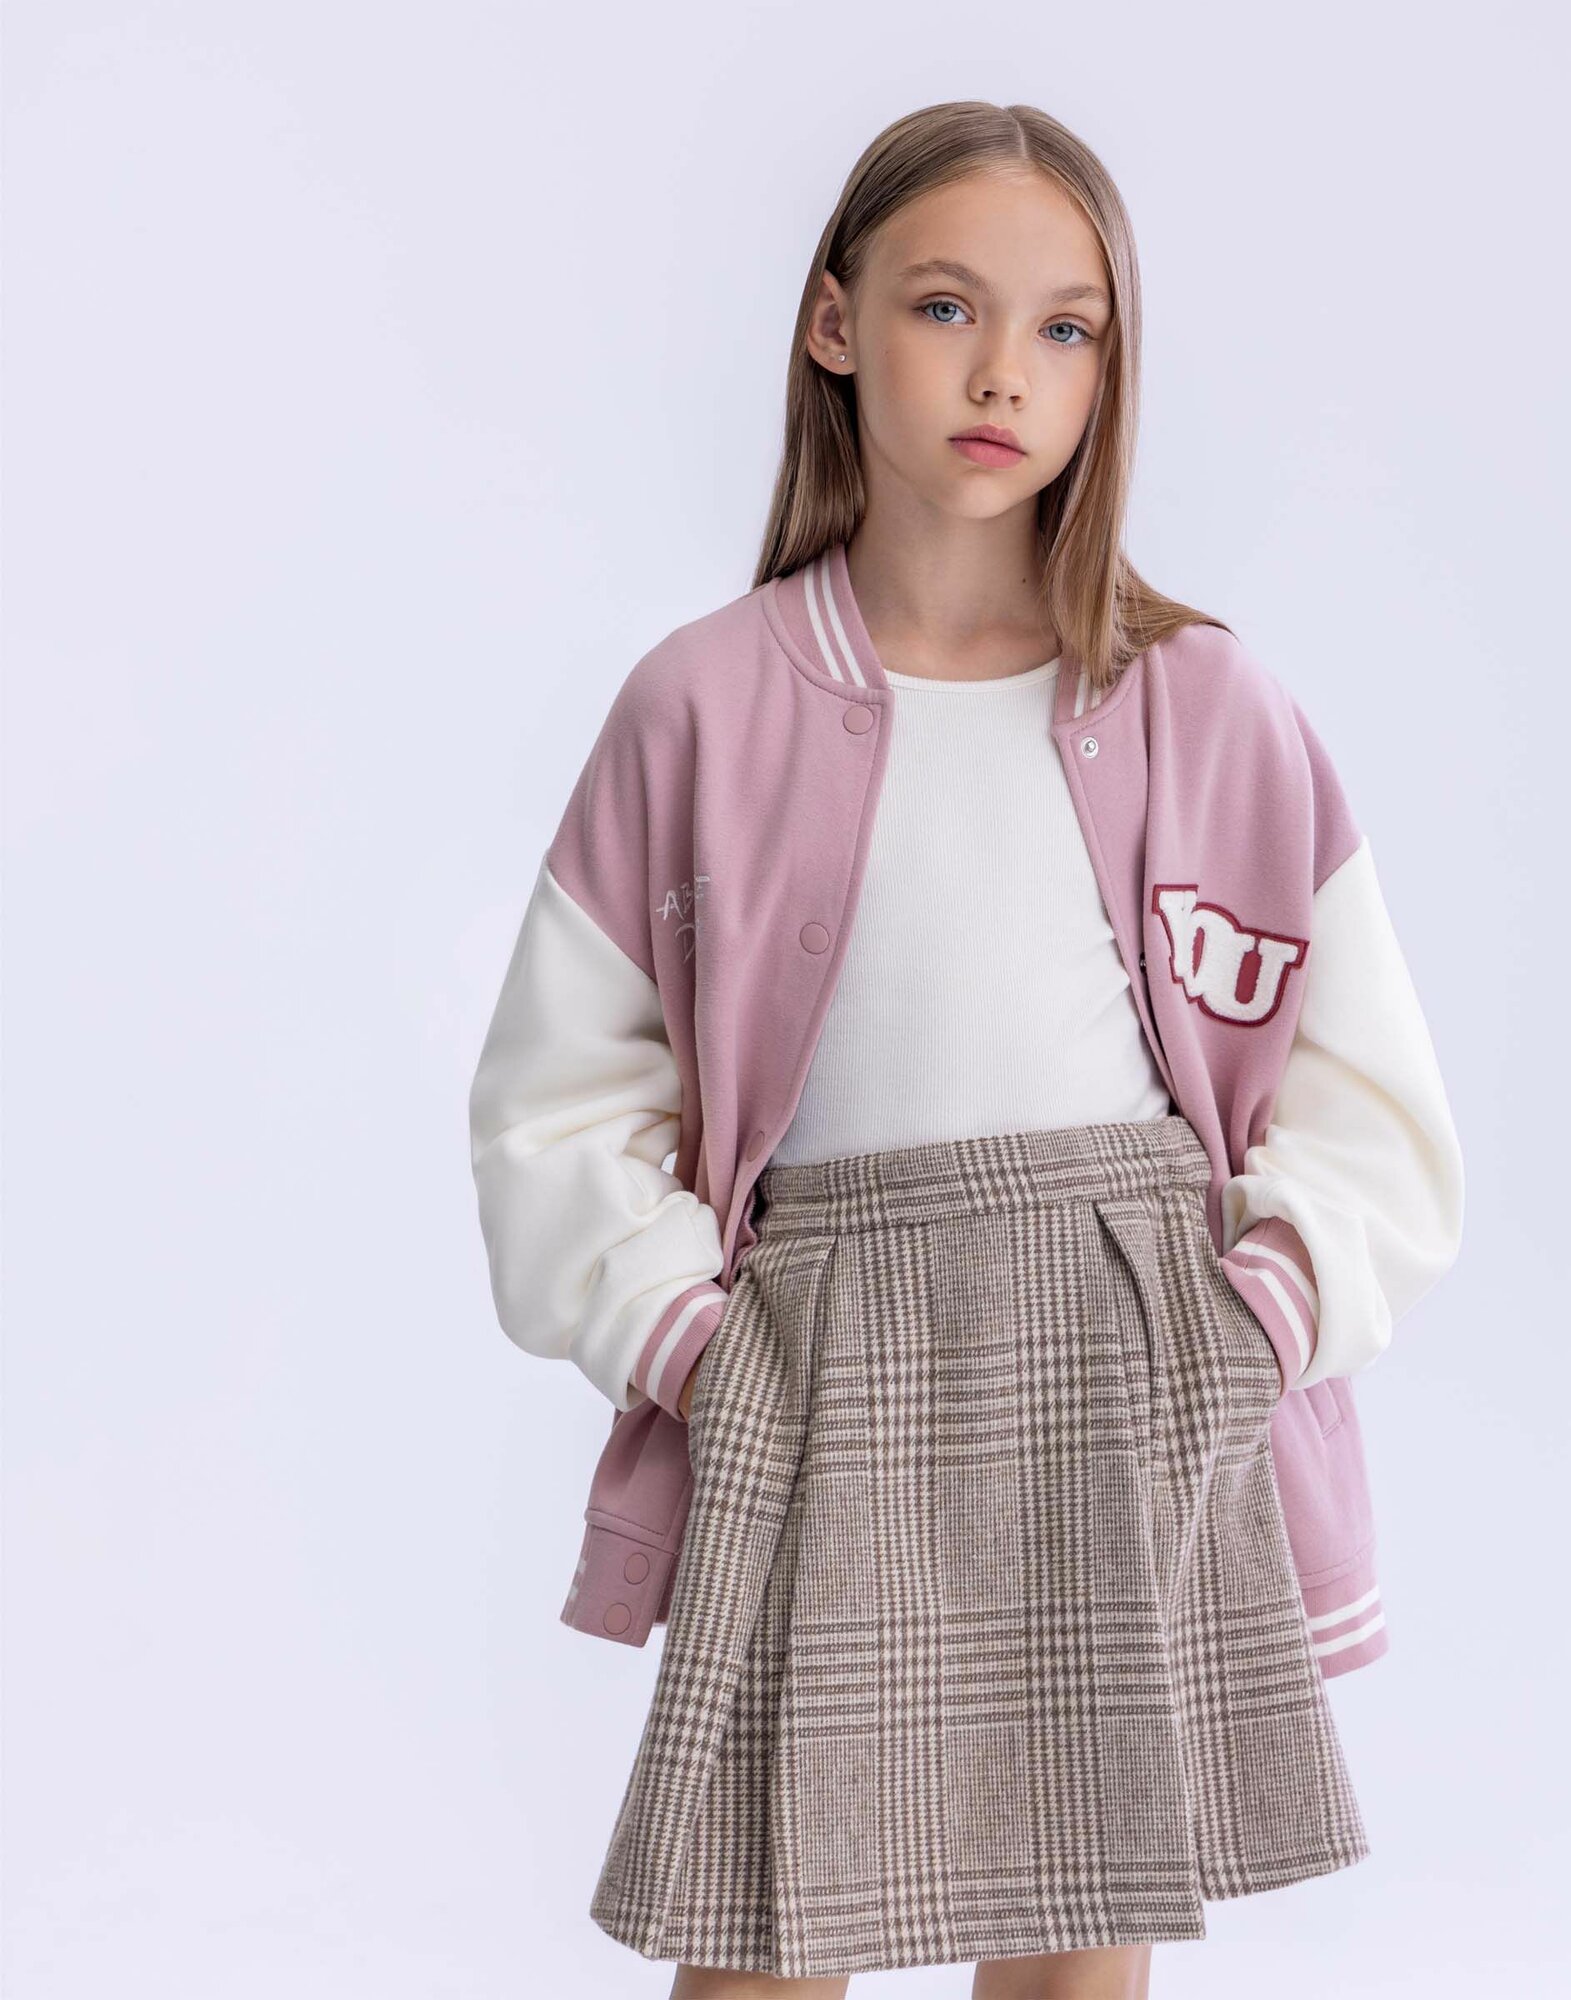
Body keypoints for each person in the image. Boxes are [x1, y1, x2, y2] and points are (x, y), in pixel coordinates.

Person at [465, 99, 1465, 1998]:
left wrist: (1249, 1318)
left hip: (1126, 1345)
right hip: (822, 1359)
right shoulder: (701, 704)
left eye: (1066, 328)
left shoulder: (1206, 702)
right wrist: (694, 1341)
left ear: (1108, 370)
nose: (1006, 370)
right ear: (834, 323)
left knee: (1083, 1935)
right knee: (766, 1917)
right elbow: (560, 1099)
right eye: (947, 306)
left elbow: (1371, 1102)